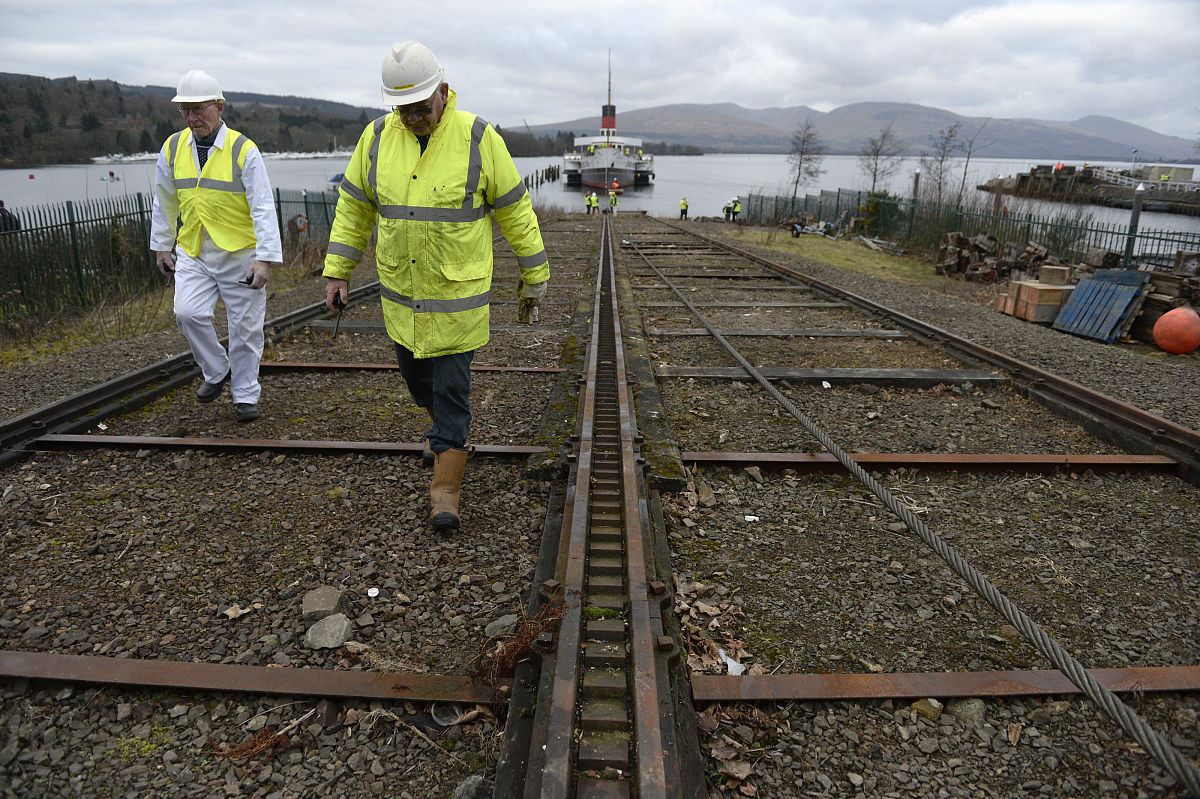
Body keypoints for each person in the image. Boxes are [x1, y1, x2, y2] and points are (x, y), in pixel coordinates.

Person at [322, 40, 549, 533]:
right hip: (403, 300)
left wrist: (534, 274)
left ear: (444, 92)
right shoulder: (376, 138)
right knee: (415, 379)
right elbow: (355, 208)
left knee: (451, 389)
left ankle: (446, 487)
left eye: (422, 108)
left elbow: (514, 209)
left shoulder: (479, 138)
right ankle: (444, 435)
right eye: (403, 109)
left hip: (457, 300)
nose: (414, 118)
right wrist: (338, 270)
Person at [150, 69, 281, 423]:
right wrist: (162, 246)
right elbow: (164, 200)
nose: (192, 118)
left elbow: (263, 207)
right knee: (187, 313)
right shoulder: (173, 147)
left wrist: (265, 259)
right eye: (185, 111)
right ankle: (216, 369)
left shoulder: (243, 150)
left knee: (245, 327)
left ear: (219, 107)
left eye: (199, 109)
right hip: (193, 248)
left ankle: (245, 396)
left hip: (240, 254)